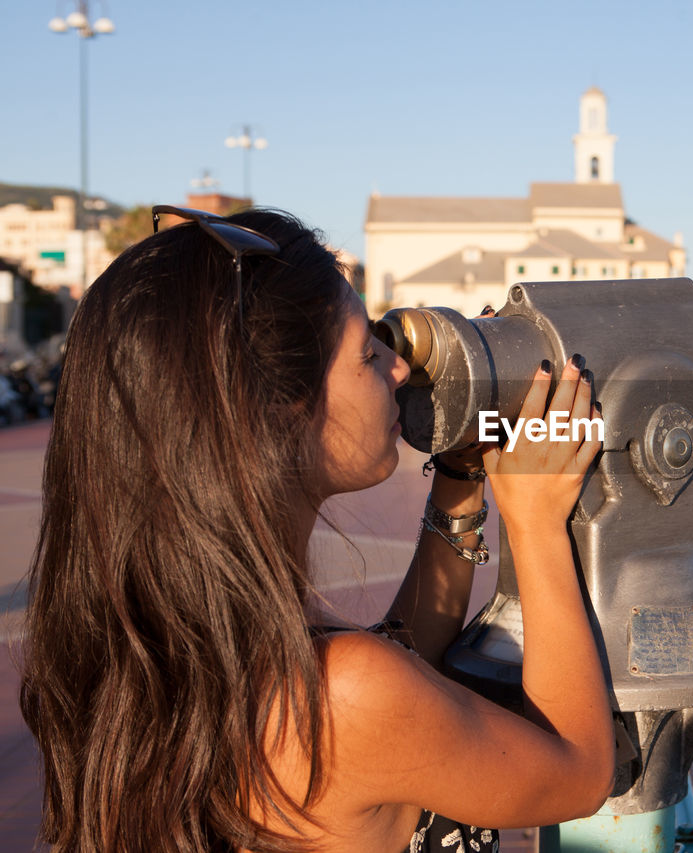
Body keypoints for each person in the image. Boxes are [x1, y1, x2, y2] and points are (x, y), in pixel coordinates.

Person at [19, 207, 615, 853]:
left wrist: (460, 475)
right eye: (366, 352)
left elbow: (395, 677)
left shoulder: (122, 653)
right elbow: (577, 773)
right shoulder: (344, 696)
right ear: (279, 413)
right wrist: (535, 523)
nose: (395, 368)